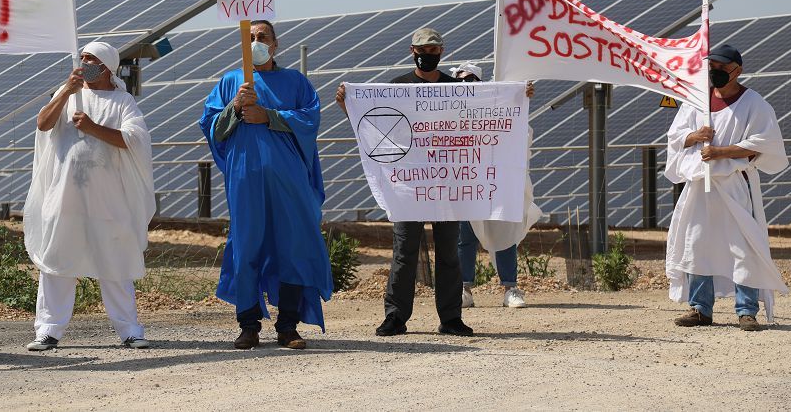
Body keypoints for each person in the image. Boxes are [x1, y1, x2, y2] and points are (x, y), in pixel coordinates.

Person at [200, 20, 333, 350]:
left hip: (289, 179)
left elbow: (310, 120)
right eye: (250, 38)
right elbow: (212, 128)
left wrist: (269, 116)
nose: (256, 42)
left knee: (293, 245)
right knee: (247, 245)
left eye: (262, 37)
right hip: (245, 178)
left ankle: (288, 326)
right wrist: (234, 107)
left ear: (275, 44)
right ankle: (248, 325)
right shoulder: (231, 81)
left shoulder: (295, 81)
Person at [336, 27, 472, 337]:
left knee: (449, 251)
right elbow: (375, 124)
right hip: (408, 184)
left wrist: (521, 97)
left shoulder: (457, 89)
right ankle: (395, 316)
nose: (428, 55)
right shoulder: (397, 88)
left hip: (446, 182)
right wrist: (349, 106)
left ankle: (451, 318)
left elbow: (483, 116)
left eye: (434, 50)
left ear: (442, 51)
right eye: (423, 50)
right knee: (404, 249)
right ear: (412, 51)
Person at [24, 41, 156, 351]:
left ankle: (130, 331)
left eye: (91, 58)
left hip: (108, 200)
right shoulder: (68, 94)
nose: (85, 62)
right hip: (64, 196)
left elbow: (134, 141)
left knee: (115, 263)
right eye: (82, 57)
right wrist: (66, 94)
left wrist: (93, 127)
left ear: (108, 65)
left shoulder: (123, 101)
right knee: (57, 262)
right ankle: (48, 330)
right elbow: (43, 123)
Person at [664, 44, 789, 331]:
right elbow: (675, 136)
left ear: (737, 70)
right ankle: (700, 309)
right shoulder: (697, 100)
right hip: (699, 186)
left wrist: (721, 153)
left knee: (742, 246)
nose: (715, 72)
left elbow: (763, 144)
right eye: (712, 68)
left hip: (734, 186)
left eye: (721, 68)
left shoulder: (754, 103)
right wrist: (696, 135)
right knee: (697, 244)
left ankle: (746, 311)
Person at [451, 62, 542, 310]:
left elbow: (517, 130)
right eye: (461, 81)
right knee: (465, 237)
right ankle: (464, 289)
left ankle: (510, 287)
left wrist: (520, 98)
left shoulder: (496, 108)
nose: (466, 85)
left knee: (504, 234)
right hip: (465, 183)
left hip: (496, 184)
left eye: (471, 80)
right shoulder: (448, 110)